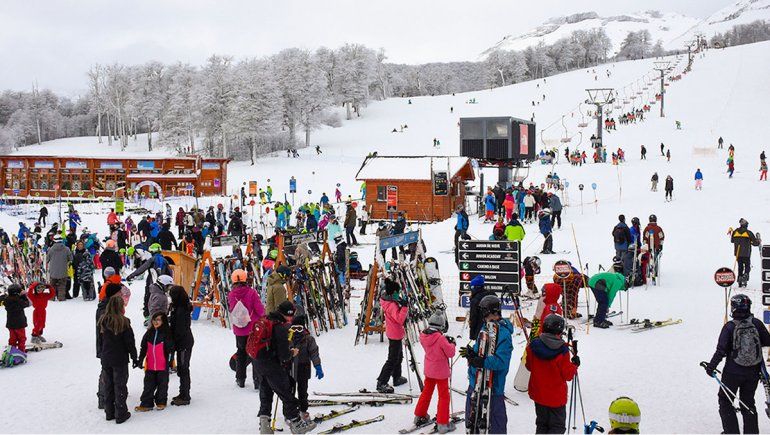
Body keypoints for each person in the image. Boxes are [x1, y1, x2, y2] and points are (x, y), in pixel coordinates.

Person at [704, 294, 770, 434]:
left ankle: (731, 431)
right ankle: (751, 432)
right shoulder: (756, 323)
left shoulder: (730, 326)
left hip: (732, 372)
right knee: (748, 401)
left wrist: (711, 367)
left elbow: (721, 350)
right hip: (753, 372)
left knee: (725, 400)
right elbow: (767, 341)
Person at [255, 301, 317, 434]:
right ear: (288, 314)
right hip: (272, 366)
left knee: (266, 393)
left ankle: (265, 425)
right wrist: (292, 352)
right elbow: (284, 355)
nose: (292, 319)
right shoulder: (281, 328)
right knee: (287, 394)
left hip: (259, 363)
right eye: (292, 315)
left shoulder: (267, 319)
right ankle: (297, 425)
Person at [460, 295, 513, 434]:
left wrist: (482, 362)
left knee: (496, 423)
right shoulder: (484, 328)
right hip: (475, 383)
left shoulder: (504, 334)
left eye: (485, 313)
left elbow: (502, 362)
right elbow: (481, 350)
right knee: (472, 421)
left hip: (493, 388)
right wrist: (472, 355)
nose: (483, 316)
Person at [526, 314, 578, 434]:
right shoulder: (562, 350)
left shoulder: (533, 346)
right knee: (557, 427)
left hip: (538, 395)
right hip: (556, 398)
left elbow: (529, 366)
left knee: (542, 425)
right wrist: (574, 366)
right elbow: (567, 375)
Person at [413, 311, 457, 433]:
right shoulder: (441, 338)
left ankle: (419, 415)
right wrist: (452, 343)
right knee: (444, 396)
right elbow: (450, 353)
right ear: (441, 326)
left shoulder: (423, 335)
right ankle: (443, 423)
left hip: (429, 370)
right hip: (441, 372)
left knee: (426, 392)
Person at [97, 296, 138, 424]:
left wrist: (101, 353)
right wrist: (134, 356)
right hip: (119, 358)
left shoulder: (103, 320)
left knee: (108, 385)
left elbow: (100, 340)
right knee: (120, 385)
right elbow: (130, 342)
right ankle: (121, 413)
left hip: (106, 358)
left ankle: (109, 412)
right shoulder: (124, 322)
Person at [228, 269, 265, 389]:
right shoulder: (252, 293)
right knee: (255, 353)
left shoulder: (231, 294)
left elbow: (231, 309)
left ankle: (240, 379)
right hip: (252, 328)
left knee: (241, 352)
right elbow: (260, 310)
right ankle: (257, 380)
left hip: (239, 329)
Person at [134, 312, 174, 412]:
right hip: (150, 364)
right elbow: (143, 347)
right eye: (154, 320)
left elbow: (171, 350)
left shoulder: (166, 333)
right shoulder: (149, 333)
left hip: (162, 365)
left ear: (163, 321)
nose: (156, 322)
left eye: (158, 320)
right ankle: (146, 404)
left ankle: (161, 402)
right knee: (148, 384)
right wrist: (140, 359)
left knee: (162, 385)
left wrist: (169, 362)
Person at [376, 277, 409, 393]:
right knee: (392, 359)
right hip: (395, 333)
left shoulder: (389, 301)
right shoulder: (391, 305)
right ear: (393, 292)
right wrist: (404, 307)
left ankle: (397, 377)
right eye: (398, 292)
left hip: (395, 332)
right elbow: (399, 319)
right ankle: (382, 382)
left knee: (398, 357)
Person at [288, 314, 323, 422]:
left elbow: (314, 353)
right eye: (294, 328)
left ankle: (303, 410)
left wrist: (318, 366)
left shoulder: (308, 339)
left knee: (303, 391)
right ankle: (290, 413)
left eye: (300, 328)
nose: (297, 331)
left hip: (303, 368)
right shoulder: (288, 338)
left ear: (304, 327)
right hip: (290, 369)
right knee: (289, 392)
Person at [168, 285, 194, 406]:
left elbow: (179, 330)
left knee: (183, 368)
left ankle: (185, 395)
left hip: (184, 343)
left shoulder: (181, 310)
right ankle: (182, 392)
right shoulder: (178, 307)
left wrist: (173, 343)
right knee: (182, 368)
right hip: (182, 342)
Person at [731, 219, 760, 287]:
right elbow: (755, 243)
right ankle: (745, 275)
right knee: (747, 265)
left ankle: (740, 279)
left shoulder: (735, 232)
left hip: (738, 253)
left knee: (740, 267)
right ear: (746, 225)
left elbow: (732, 241)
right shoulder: (748, 233)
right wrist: (758, 241)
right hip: (746, 253)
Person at [2, 284, 30, 352]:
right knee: (21, 338)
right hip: (19, 325)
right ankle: (21, 351)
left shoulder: (7, 300)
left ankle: (11, 351)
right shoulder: (19, 301)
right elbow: (27, 303)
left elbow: (6, 299)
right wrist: (23, 295)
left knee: (12, 339)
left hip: (11, 325)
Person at [467, 275, 495, 340]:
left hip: (480, 330)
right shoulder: (492, 295)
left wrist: (472, 336)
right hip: (494, 328)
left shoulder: (475, 300)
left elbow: (473, 318)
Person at [47, 234, 73, 301]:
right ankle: (61, 298)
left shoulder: (51, 249)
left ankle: (52, 297)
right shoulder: (67, 249)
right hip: (63, 270)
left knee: (52, 286)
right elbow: (71, 259)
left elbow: (47, 259)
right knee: (62, 285)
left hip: (53, 271)